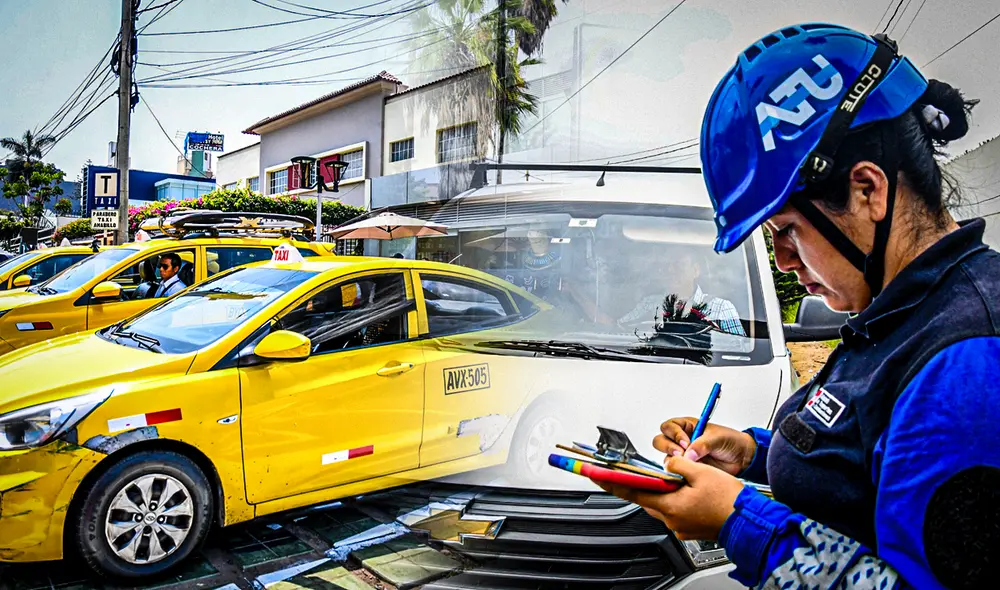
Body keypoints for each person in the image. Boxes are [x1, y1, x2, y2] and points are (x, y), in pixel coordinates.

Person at [593, 23, 1000, 590]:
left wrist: (738, 520)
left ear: (867, 191)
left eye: (786, 229)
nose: (782, 259)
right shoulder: (903, 313)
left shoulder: (969, 365)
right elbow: (865, 464)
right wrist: (753, 454)